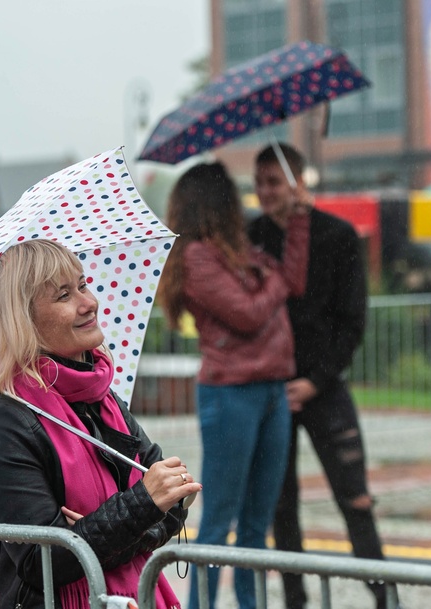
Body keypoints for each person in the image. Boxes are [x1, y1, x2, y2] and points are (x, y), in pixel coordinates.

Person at [0, 239, 201, 609]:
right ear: (23, 320)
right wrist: (139, 505)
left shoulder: (102, 399)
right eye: (63, 295)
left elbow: (168, 503)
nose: (88, 302)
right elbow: (43, 560)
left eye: (82, 284)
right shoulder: (2, 423)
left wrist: (110, 523)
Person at [157, 162, 309, 609]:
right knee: (220, 517)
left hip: (270, 389)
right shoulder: (197, 256)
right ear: (216, 202)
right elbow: (247, 313)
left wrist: (298, 219)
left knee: (256, 522)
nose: (243, 202)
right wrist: (276, 280)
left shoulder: (237, 250)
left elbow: (292, 282)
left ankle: (251, 604)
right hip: (230, 394)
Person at [247, 142, 391, 609]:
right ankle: (295, 601)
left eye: (273, 181)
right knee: (280, 507)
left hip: (324, 387)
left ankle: (385, 597)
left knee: (355, 499)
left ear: (298, 180)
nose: (264, 191)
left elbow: (352, 322)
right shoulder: (251, 239)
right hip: (272, 391)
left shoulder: (339, 236)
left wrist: (316, 380)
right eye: (259, 182)